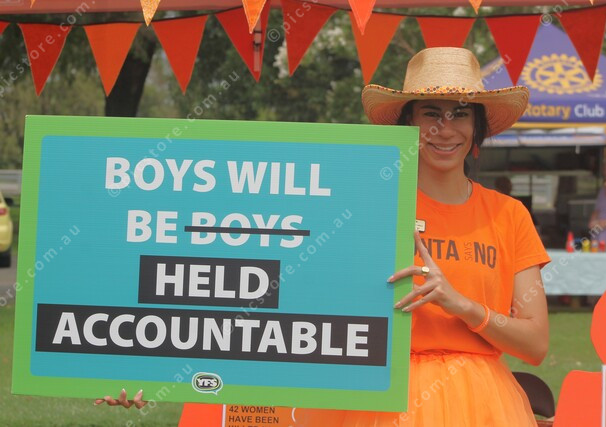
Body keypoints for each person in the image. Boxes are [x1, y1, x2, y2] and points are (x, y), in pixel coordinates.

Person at [97, 47, 551, 427]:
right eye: (431, 113)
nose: (444, 129)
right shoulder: (364, 205)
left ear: (477, 126)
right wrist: (150, 372)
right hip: (376, 402)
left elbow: (535, 344)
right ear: (408, 123)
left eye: (460, 114)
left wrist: (463, 305)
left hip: (483, 407)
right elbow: (268, 306)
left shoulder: (508, 215)